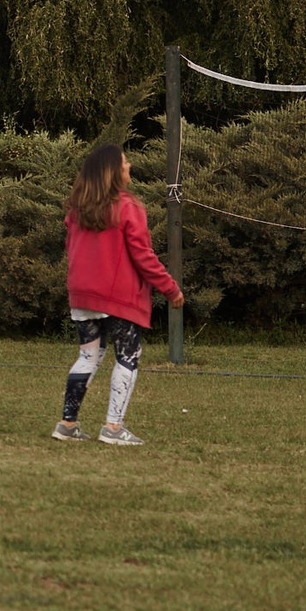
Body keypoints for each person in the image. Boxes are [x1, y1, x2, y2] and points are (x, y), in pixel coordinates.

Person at [55, 143, 184, 446]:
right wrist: (170, 287)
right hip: (119, 296)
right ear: (113, 172)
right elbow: (143, 255)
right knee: (127, 356)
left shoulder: (77, 209)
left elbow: (71, 249)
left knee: (88, 356)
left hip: (83, 295)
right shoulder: (128, 206)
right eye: (125, 163)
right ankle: (113, 427)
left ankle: (67, 424)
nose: (129, 166)